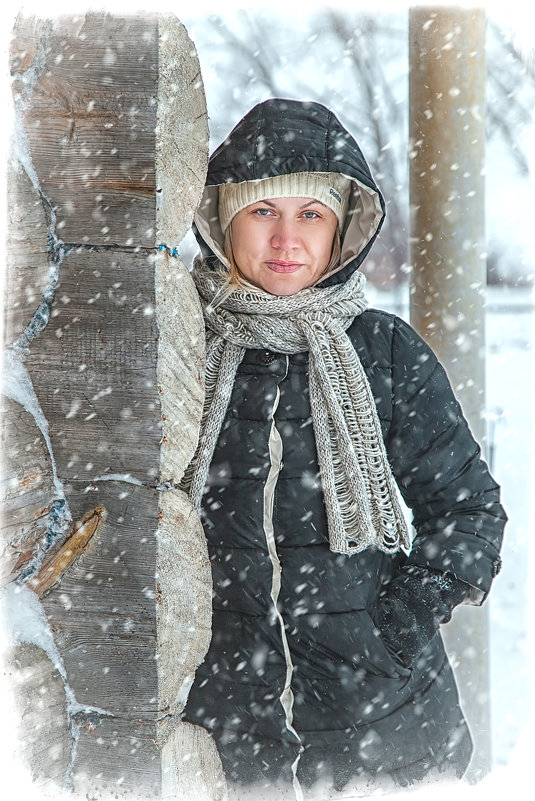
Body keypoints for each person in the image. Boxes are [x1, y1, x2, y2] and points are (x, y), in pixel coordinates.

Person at [180, 98, 506, 799]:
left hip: (385, 725)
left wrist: (399, 619)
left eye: (311, 214)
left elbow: (469, 510)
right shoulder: (185, 347)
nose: (286, 238)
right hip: (224, 720)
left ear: (342, 231)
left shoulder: (383, 350)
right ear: (220, 222)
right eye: (262, 211)